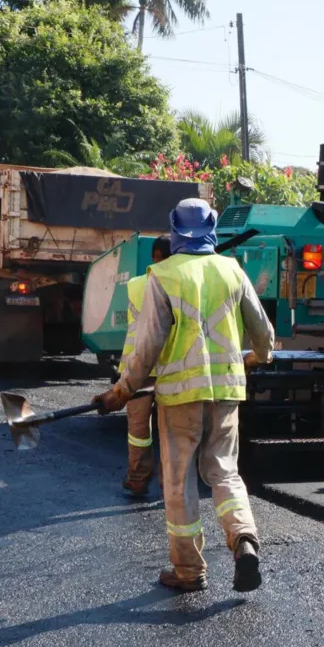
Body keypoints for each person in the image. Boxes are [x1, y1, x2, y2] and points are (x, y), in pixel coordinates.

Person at [94, 198, 276, 592]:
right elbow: (262, 330)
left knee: (179, 482)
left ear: (175, 231)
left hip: (179, 399)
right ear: (212, 229)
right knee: (225, 472)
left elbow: (147, 347)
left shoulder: (162, 275)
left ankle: (189, 571)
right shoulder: (233, 270)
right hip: (227, 392)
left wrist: (122, 391)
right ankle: (244, 540)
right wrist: (258, 357)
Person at [119, 235, 170, 498]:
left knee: (138, 431)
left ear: (154, 257)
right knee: (170, 432)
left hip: (137, 370)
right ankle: (169, 486)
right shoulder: (179, 286)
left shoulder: (136, 284)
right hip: (170, 369)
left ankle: (137, 479)